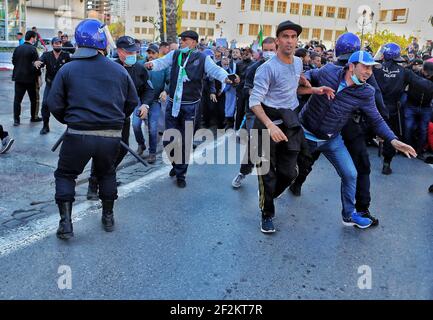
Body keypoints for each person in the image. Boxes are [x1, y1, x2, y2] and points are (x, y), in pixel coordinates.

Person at [298, 50, 416, 229]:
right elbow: (311, 73)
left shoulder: (366, 91)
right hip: (305, 134)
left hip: (332, 139)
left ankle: (348, 215)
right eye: (365, 67)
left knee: (351, 174)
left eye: (371, 68)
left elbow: (376, 119)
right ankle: (269, 202)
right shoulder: (329, 71)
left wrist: (392, 140)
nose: (369, 72)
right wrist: (304, 78)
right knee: (290, 172)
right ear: (351, 67)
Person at [47, 19, 139, 239]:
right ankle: (108, 217)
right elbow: (132, 102)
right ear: (99, 40)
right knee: (107, 173)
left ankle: (66, 224)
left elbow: (54, 103)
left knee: (66, 175)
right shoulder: (119, 70)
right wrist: (114, 119)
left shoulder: (68, 69)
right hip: (110, 136)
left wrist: (72, 120)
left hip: (78, 134)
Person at [249, 20, 330, 233]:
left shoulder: (297, 63)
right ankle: (267, 213)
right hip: (266, 123)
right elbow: (254, 102)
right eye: (285, 36)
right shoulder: (266, 69)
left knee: (290, 171)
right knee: (267, 173)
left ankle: (269, 197)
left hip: (290, 122)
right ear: (277, 41)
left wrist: (314, 90)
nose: (290, 41)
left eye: (293, 37)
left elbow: (292, 90)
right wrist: (269, 126)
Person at [144, 30, 237, 188]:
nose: (182, 42)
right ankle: (176, 164)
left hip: (190, 107)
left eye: (185, 40)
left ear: (194, 42)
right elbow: (161, 62)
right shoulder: (175, 54)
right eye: (181, 40)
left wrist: (227, 78)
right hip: (173, 105)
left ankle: (181, 173)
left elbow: (216, 70)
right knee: (168, 140)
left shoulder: (202, 58)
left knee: (185, 141)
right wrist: (152, 65)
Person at [87, 35, 154, 199]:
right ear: (119, 51)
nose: (133, 54)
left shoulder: (139, 69)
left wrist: (145, 104)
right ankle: (93, 184)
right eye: (128, 52)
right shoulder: (107, 67)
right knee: (102, 151)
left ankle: (106, 175)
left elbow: (148, 89)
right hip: (105, 118)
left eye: (134, 51)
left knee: (122, 149)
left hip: (124, 118)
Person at [373, 43, 429, 173]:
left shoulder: (375, 68)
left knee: (359, 133)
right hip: (391, 110)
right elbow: (423, 84)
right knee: (391, 136)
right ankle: (387, 163)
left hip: (372, 107)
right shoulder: (404, 72)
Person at [232, 37, 277, 188]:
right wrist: (258, 93)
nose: (269, 53)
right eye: (266, 50)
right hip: (256, 111)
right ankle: (243, 172)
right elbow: (246, 90)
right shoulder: (254, 68)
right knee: (255, 145)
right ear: (261, 51)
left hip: (277, 113)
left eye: (272, 50)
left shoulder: (285, 66)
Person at [132, 43, 169, 164]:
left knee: (153, 128)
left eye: (153, 53)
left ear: (158, 54)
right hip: (140, 100)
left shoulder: (163, 66)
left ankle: (152, 152)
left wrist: (165, 90)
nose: (151, 55)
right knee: (136, 125)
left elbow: (169, 81)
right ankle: (141, 144)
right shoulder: (139, 65)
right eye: (149, 53)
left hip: (154, 101)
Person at [34, 37, 71, 134]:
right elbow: (40, 61)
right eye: (56, 43)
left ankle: (70, 127)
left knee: (69, 105)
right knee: (45, 104)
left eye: (59, 43)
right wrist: (37, 62)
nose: (58, 45)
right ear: (52, 45)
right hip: (50, 85)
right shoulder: (47, 55)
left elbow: (72, 66)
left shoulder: (66, 55)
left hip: (63, 86)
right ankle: (45, 126)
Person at [11, 30, 42, 126]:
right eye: (35, 38)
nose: (35, 40)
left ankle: (16, 120)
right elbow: (37, 65)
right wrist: (39, 77)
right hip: (30, 79)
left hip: (18, 78)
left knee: (17, 100)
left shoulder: (18, 48)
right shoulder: (33, 49)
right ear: (32, 38)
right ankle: (34, 117)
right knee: (34, 100)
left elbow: (13, 61)